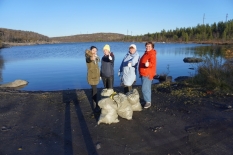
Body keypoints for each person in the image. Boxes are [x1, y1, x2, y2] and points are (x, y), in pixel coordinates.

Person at [139, 42, 157, 109]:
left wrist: (148, 64)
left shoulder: (151, 53)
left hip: (147, 74)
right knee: (147, 88)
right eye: (146, 46)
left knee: (145, 89)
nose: (147, 47)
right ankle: (147, 101)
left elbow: (152, 63)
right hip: (144, 73)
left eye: (149, 46)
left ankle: (148, 102)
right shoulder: (146, 53)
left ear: (152, 47)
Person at [85, 46, 100, 112]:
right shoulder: (88, 57)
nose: (95, 52)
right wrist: (92, 58)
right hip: (92, 77)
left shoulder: (96, 57)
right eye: (93, 50)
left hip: (96, 76)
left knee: (94, 90)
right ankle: (96, 106)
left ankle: (94, 102)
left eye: (96, 51)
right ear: (91, 50)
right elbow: (88, 59)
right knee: (95, 90)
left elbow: (97, 66)